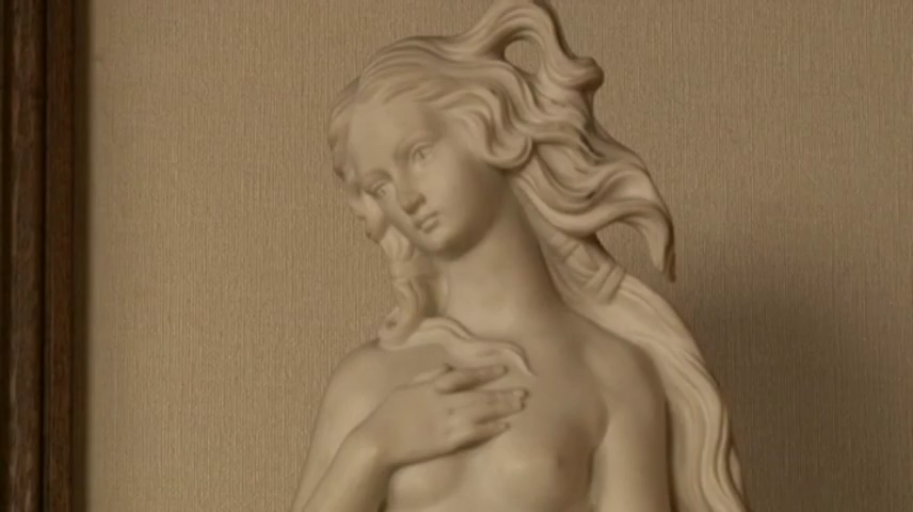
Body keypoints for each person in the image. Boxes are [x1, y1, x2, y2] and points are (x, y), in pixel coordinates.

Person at [291, 1, 750, 511]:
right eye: (380, 186)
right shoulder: (365, 383)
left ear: (487, 128)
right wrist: (372, 448)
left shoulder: (608, 372)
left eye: (419, 154)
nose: (406, 197)